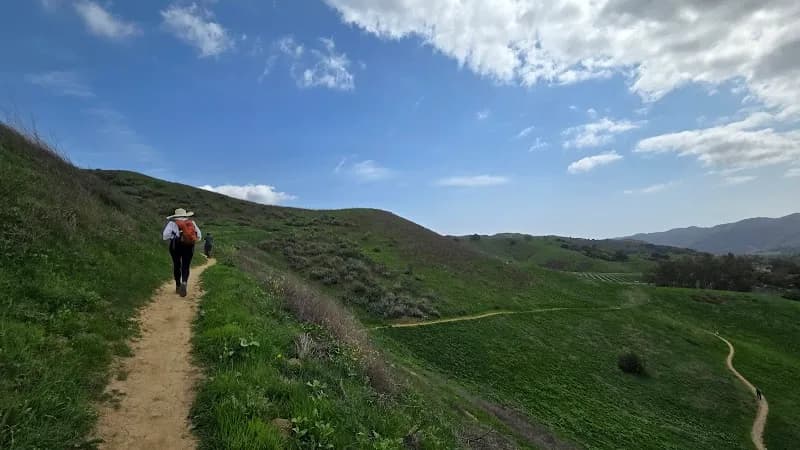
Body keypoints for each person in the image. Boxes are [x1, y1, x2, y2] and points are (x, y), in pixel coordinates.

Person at [162, 208, 201, 297]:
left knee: (177, 265)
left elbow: (165, 236)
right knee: (186, 265)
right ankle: (184, 282)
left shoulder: (172, 223)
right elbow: (199, 235)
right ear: (185, 215)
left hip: (175, 245)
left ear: (175, 216)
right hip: (189, 246)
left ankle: (178, 285)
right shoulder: (191, 223)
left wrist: (174, 234)